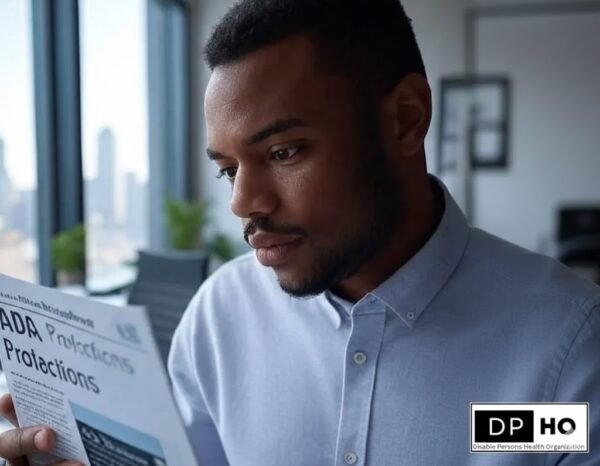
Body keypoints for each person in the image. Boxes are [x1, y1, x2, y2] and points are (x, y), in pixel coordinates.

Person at [1, 0, 599, 465]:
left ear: (406, 120)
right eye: (228, 170)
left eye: (284, 151)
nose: (243, 204)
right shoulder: (218, 317)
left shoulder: (564, 348)